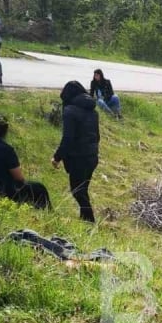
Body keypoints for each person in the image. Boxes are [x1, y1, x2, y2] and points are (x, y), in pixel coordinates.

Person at [52, 81, 99, 222]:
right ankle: (84, 219)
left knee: (77, 191)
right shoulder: (93, 111)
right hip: (92, 156)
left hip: (79, 158)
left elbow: (68, 138)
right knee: (82, 189)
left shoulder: (70, 111)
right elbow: (97, 136)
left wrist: (57, 157)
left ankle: (90, 220)